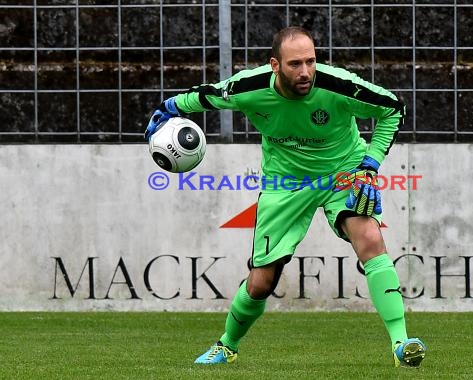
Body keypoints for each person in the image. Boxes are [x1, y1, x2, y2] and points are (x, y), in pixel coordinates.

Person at [144, 26, 426, 368]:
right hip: (285, 182)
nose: (305, 71)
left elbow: (393, 109)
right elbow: (209, 95)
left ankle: (400, 343)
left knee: (369, 237)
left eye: (310, 61)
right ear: (275, 65)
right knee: (261, 282)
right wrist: (169, 106)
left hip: (344, 170)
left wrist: (369, 165)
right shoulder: (250, 87)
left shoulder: (338, 85)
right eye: (295, 64)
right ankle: (227, 345)